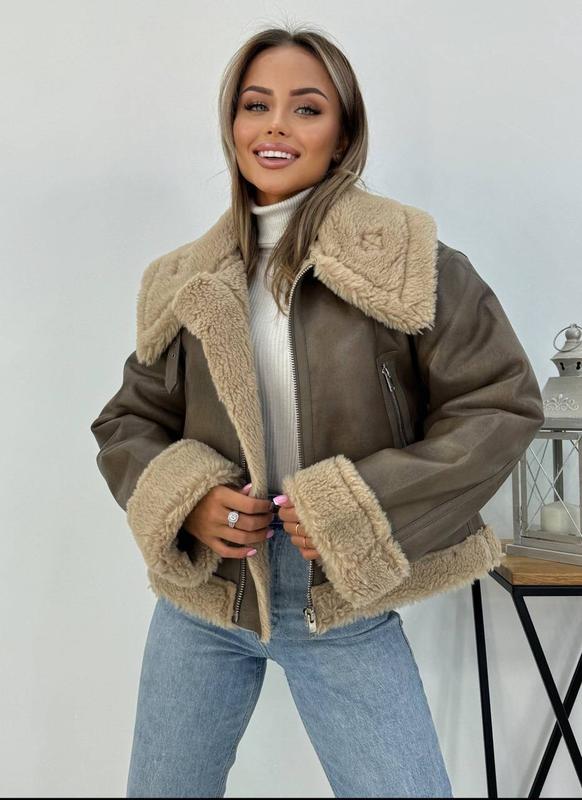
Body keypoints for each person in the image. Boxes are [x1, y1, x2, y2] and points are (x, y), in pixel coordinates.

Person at [90, 25, 545, 799]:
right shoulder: (187, 278)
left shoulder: (410, 264)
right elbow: (127, 421)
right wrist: (190, 500)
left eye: (306, 108)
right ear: (232, 123)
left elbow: (499, 404)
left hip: (339, 600)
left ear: (342, 134)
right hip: (206, 601)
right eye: (255, 105)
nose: (275, 126)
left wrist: (360, 506)